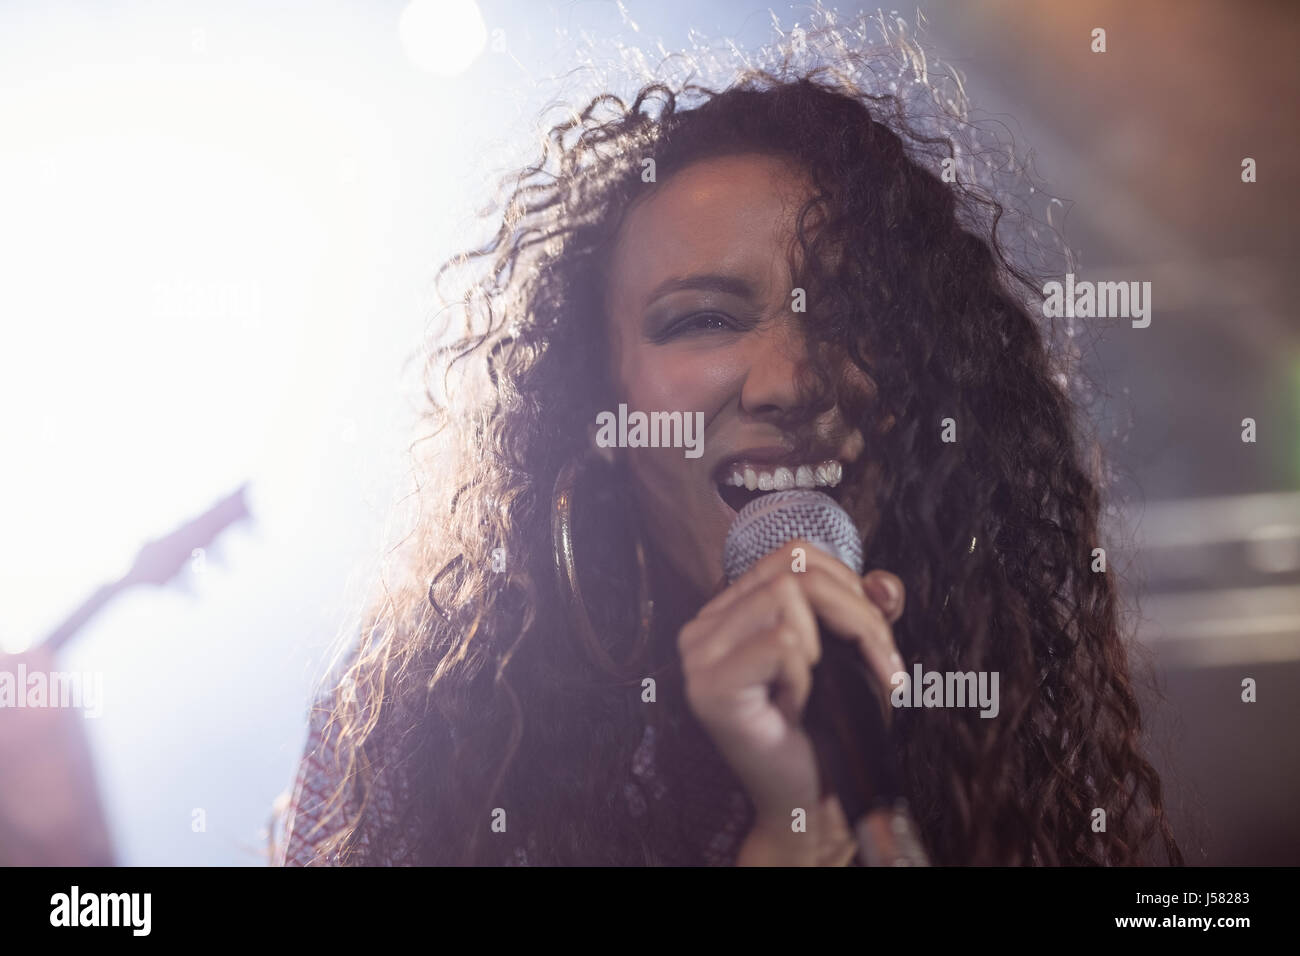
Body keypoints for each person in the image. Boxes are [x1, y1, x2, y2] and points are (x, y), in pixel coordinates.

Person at [274, 19, 1182, 867]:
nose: (789, 383)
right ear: (599, 409)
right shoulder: (423, 733)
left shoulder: (995, 711)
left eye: (848, 314)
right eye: (703, 318)